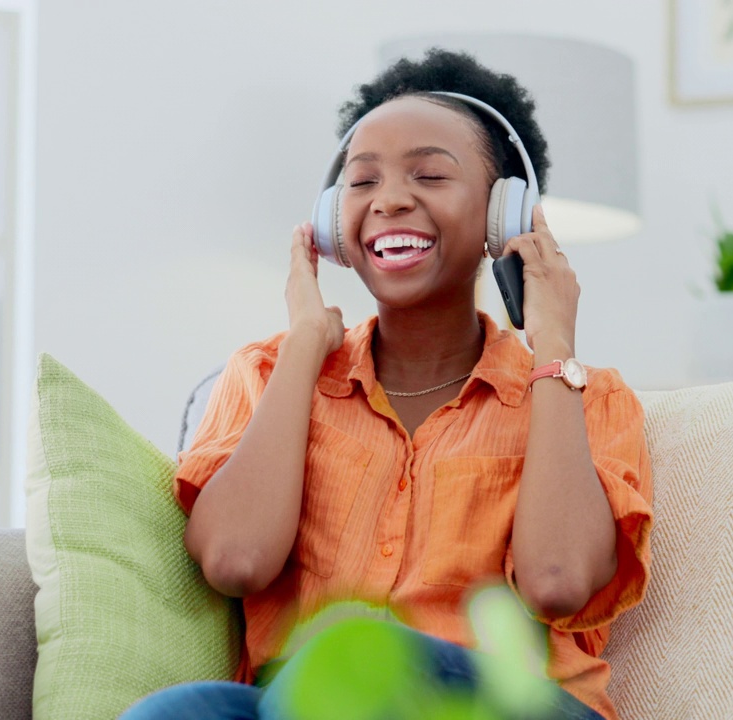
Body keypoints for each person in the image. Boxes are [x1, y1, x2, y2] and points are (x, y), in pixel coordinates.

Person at [121, 48, 653, 720]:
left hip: (507, 706)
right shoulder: (267, 372)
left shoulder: (588, 395)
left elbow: (558, 582)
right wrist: (305, 344)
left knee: (352, 652)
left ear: (505, 215)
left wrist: (553, 346)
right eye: (362, 181)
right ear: (329, 220)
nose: (391, 199)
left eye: (429, 175)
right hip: (306, 700)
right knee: (178, 711)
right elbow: (235, 559)